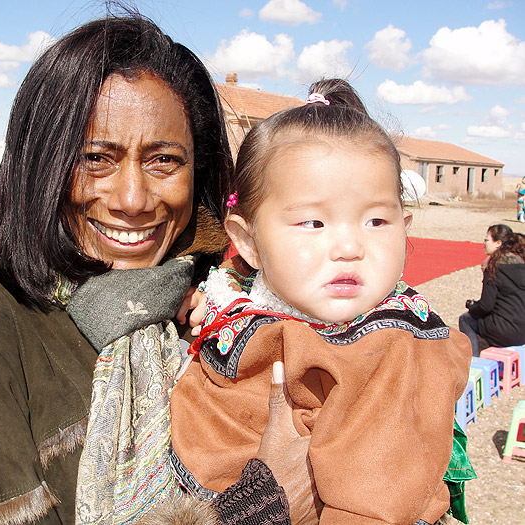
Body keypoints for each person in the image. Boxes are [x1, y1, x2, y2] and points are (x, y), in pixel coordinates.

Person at [0, 15, 316, 525]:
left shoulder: (223, 307)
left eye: (164, 160)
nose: (133, 199)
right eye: (96, 158)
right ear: (42, 166)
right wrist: (256, 511)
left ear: (199, 172)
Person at [170, 79, 474, 525]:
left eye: (376, 220)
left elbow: (374, 502)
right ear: (248, 242)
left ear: (405, 228)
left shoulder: (390, 345)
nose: (349, 246)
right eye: (313, 223)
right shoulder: (244, 293)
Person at [459, 224, 525, 356]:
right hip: (522, 329)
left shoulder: (495, 267)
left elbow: (486, 306)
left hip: (505, 330)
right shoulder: (521, 263)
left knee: (466, 319)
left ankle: (474, 363)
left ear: (498, 243)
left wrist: (472, 307)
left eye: (487, 240)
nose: (484, 243)